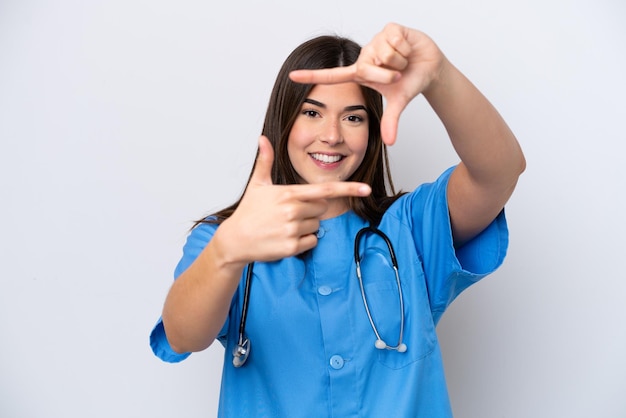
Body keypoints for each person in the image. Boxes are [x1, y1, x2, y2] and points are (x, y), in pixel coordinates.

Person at [150, 22, 525, 417]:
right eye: (312, 112)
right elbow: (183, 334)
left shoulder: (411, 228)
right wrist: (227, 251)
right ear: (284, 120)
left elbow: (500, 171)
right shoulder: (228, 238)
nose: (331, 136)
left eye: (353, 118)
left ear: (373, 129)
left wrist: (438, 75)